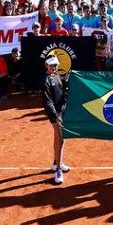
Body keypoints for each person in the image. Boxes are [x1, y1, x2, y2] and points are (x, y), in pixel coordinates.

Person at [42, 55, 69, 185]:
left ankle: (55, 163)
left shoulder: (57, 76)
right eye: (51, 65)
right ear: (46, 66)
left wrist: (67, 83)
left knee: (57, 137)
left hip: (60, 111)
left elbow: (61, 93)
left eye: (55, 65)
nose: (53, 67)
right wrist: (55, 116)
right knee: (60, 139)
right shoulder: (46, 80)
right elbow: (48, 102)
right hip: (54, 113)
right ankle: (58, 170)